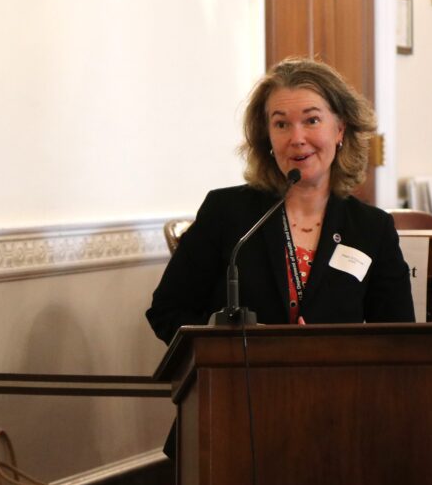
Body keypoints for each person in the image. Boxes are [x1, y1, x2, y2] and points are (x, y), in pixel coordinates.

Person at [146, 57, 415, 346]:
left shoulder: (371, 228)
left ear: (340, 129)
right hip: (241, 384)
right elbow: (167, 311)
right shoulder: (226, 212)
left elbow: (398, 337)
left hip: (337, 387)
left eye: (312, 120)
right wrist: (230, 343)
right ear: (267, 137)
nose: (297, 138)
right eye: (281, 124)